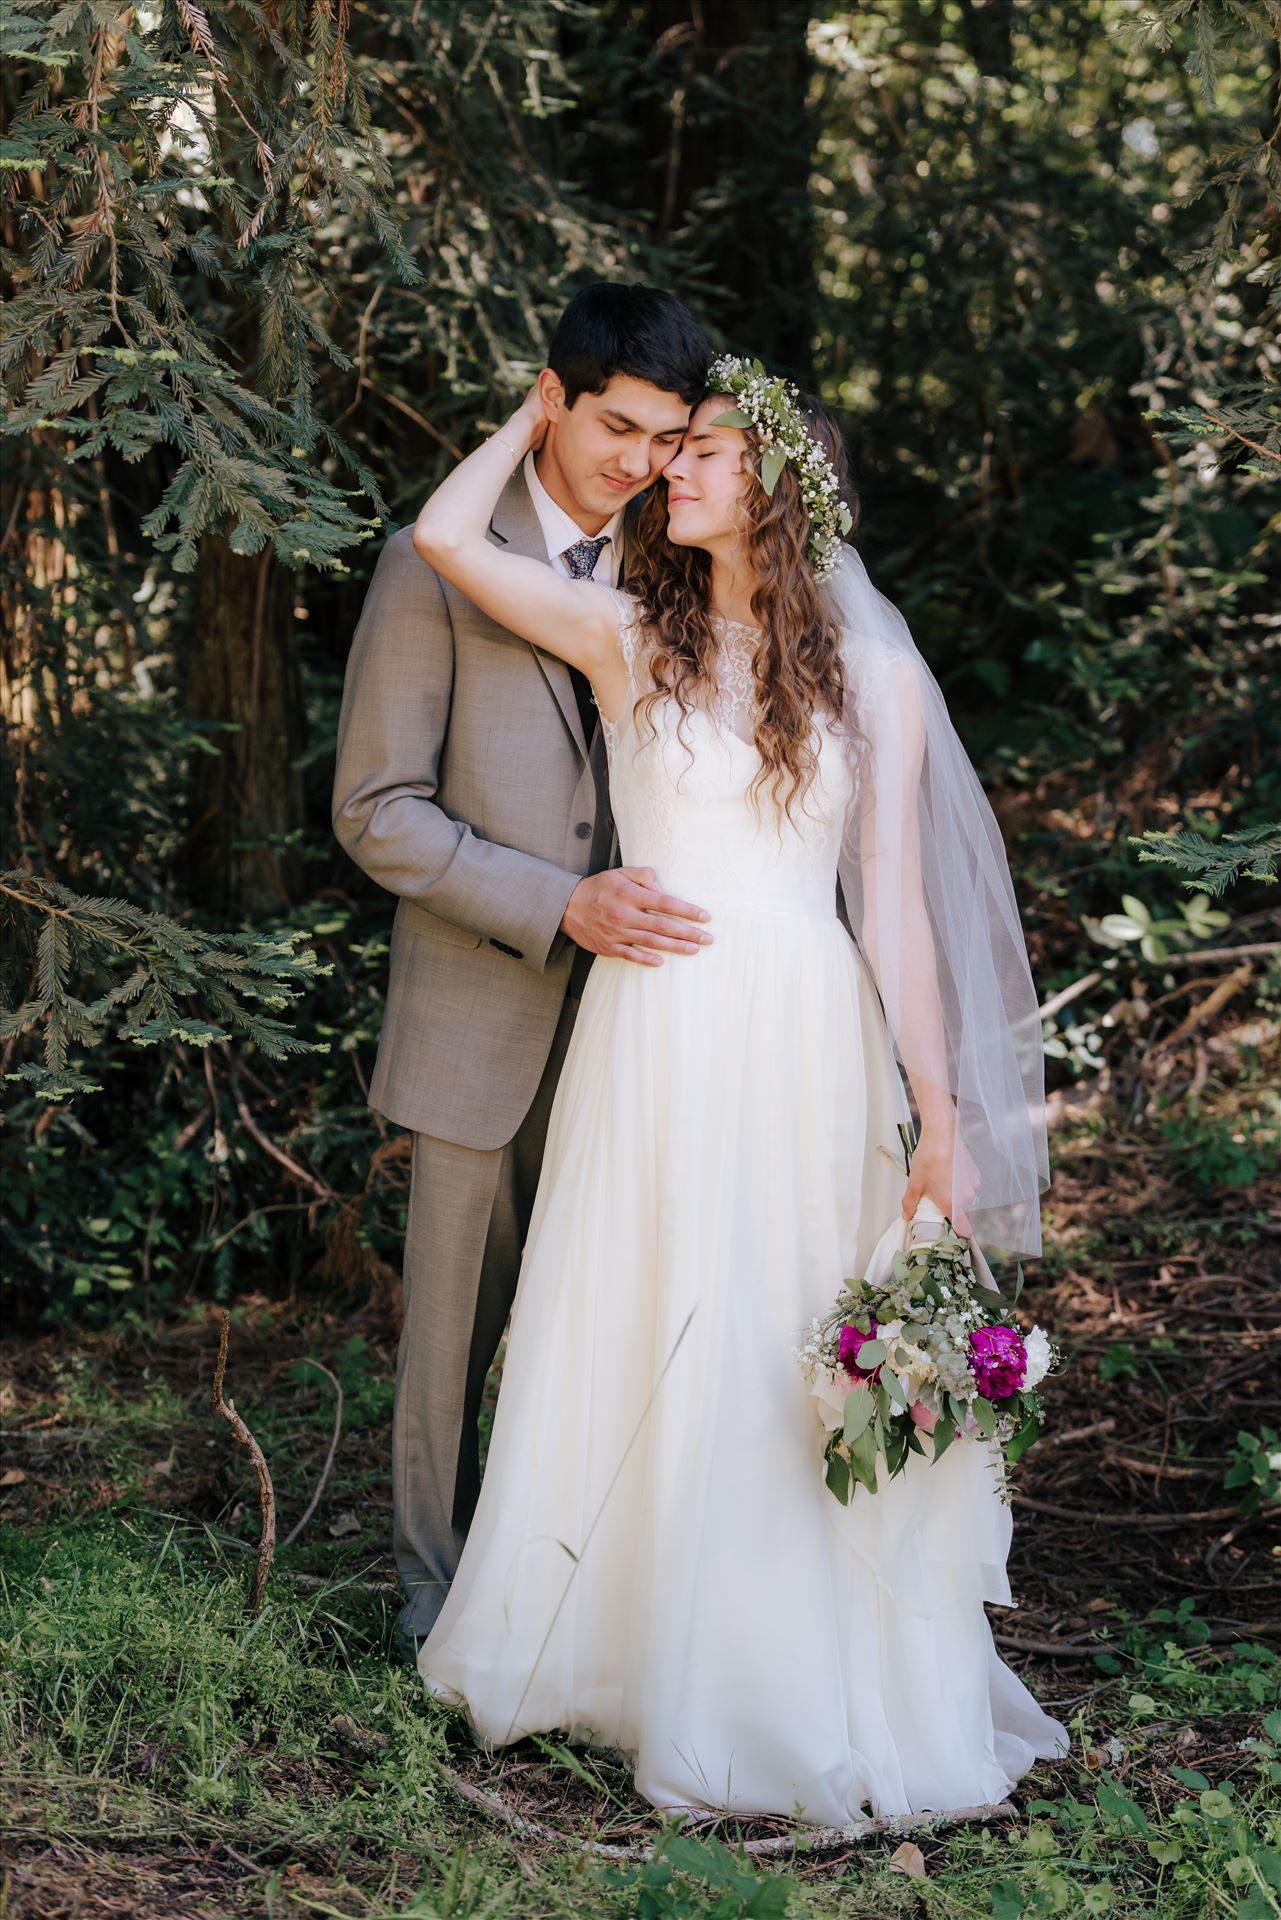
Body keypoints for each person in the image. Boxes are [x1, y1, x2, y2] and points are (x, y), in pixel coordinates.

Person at [405, 354, 1068, 1822]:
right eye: (667, 448)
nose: (669, 470)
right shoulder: (627, 636)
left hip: (796, 1031)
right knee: (636, 1306)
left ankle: (767, 1668)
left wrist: (937, 1119)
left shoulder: (873, 673)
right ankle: (612, 1650)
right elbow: (447, 540)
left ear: (779, 485)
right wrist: (536, 412)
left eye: (705, 451)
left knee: (770, 1325)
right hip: (651, 1027)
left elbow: (887, 905)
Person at [331, 283, 712, 1665]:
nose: (639, 463)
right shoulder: (431, 561)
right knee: (448, 1348)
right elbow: (376, 811)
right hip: (483, 1011)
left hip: (651, 1024)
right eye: (618, 426)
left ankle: (577, 1604)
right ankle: (435, 1607)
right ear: (549, 397)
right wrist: (561, 903)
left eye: (666, 439)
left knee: (615, 1321)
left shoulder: (684, 560)